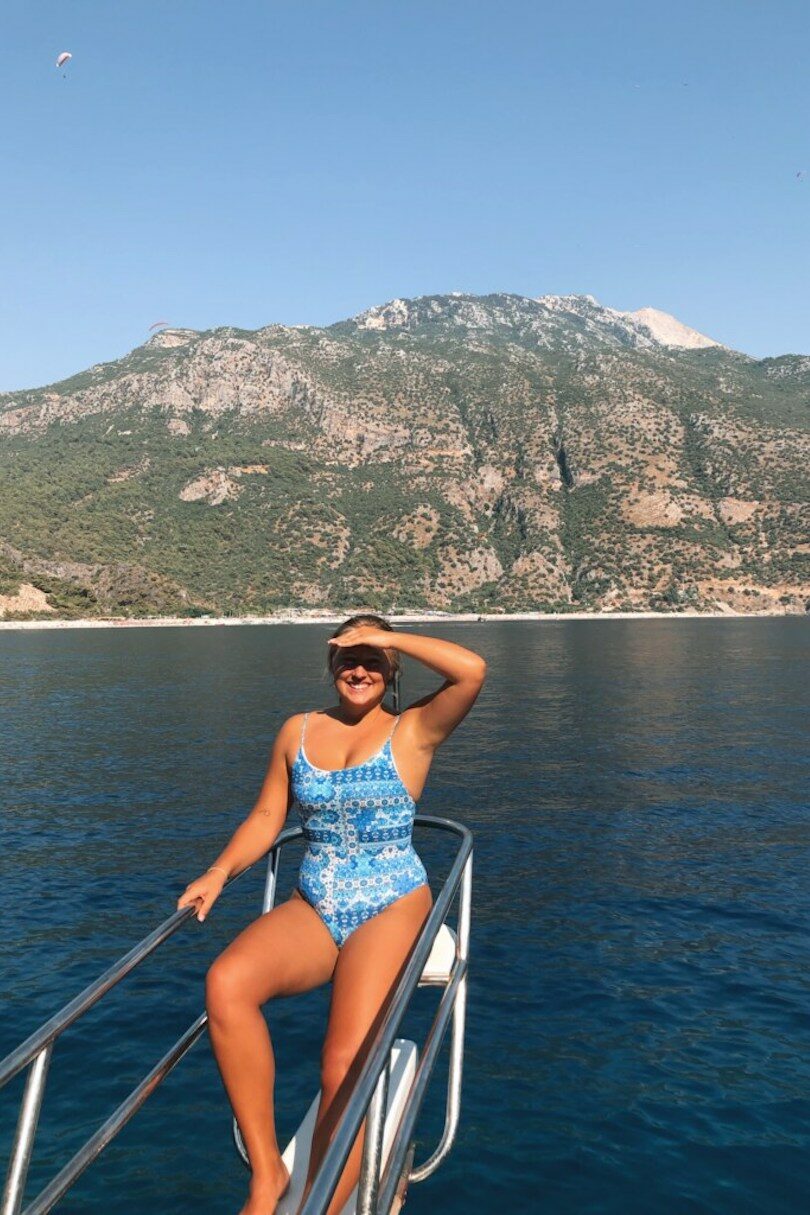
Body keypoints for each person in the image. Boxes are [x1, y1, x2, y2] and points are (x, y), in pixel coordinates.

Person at [176, 615, 487, 1215]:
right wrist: (217, 873)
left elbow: (472, 670)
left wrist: (386, 637)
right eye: (348, 657)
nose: (360, 668)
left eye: (372, 659)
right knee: (227, 984)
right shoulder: (297, 731)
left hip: (391, 901)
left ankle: (318, 1201)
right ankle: (267, 1175)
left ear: (391, 670)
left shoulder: (414, 729)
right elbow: (269, 818)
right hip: (316, 901)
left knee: (344, 1063)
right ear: (331, 666)